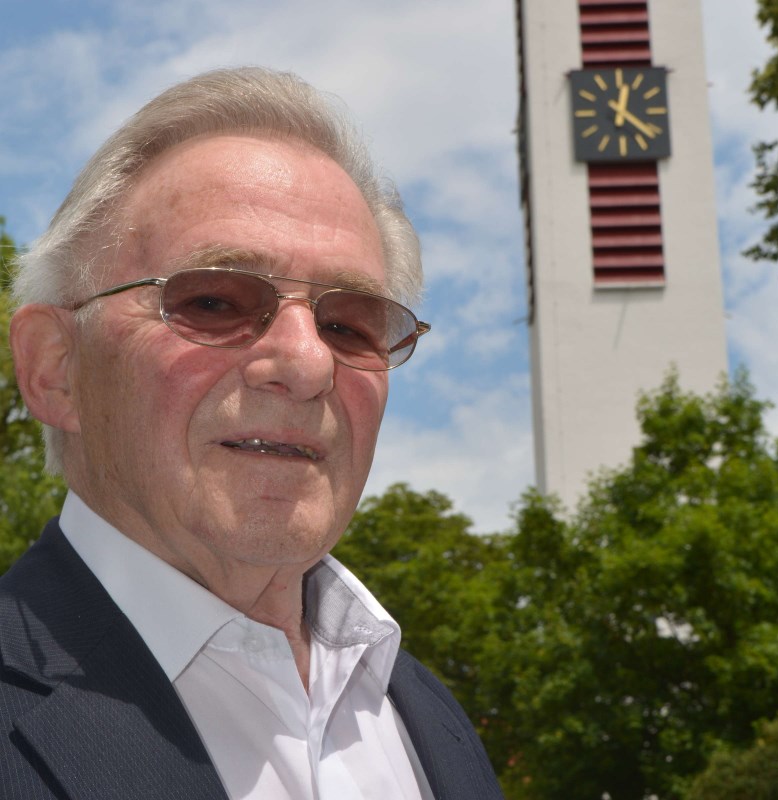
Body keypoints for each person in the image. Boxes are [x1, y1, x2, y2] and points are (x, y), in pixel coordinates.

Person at [0, 67, 503, 799]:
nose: (307, 363)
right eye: (214, 301)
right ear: (56, 369)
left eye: (348, 324)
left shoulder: (428, 718)